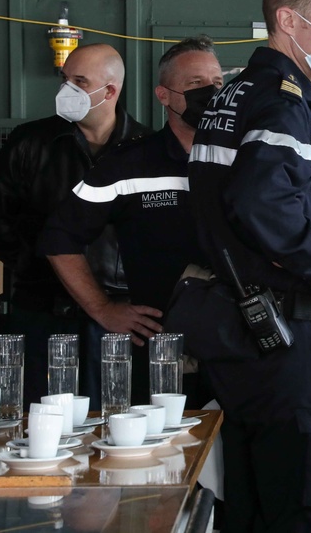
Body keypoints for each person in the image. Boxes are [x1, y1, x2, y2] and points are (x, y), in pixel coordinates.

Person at [178, 0, 311, 532]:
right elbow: (262, 203)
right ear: (289, 19)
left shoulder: (233, 96)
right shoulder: (282, 102)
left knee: (256, 500)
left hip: (241, 333)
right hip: (287, 335)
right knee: (307, 499)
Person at [39, 36, 221, 407]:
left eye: (218, 83)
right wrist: (102, 308)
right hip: (162, 354)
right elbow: (59, 237)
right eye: (195, 84)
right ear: (164, 95)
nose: (212, 93)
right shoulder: (129, 164)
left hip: (240, 349)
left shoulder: (247, 158)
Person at [0, 43, 150, 406]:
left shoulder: (146, 149)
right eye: (64, 78)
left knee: (117, 419)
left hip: (121, 316)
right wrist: (36, 267)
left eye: (79, 81)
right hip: (41, 312)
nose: (66, 89)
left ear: (110, 91)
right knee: (43, 419)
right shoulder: (30, 142)